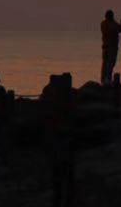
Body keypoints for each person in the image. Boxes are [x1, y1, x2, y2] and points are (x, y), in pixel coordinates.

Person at [40, 73, 76, 207]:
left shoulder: (54, 94)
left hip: (60, 137)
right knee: (63, 173)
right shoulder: (61, 96)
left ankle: (64, 198)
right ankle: (64, 198)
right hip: (60, 137)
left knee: (61, 173)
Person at [99, 11, 121, 86]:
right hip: (112, 47)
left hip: (105, 46)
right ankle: (107, 79)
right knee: (110, 63)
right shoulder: (112, 24)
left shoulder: (103, 23)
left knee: (105, 64)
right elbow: (119, 28)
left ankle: (103, 79)